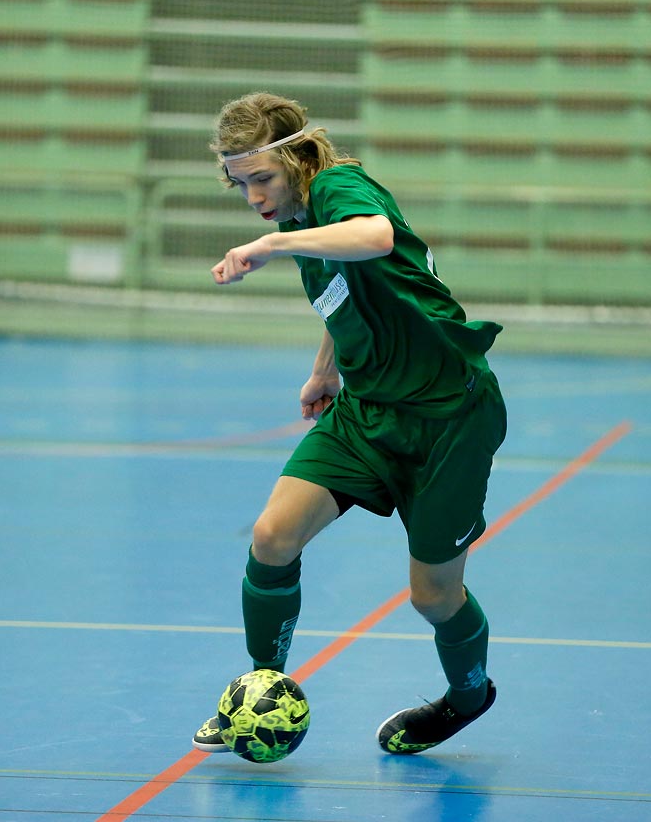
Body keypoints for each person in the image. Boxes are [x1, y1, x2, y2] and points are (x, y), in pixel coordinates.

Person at [192, 92, 508, 756]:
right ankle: (260, 689)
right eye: (241, 184)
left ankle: (468, 695)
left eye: (262, 180)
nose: (253, 198)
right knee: (273, 537)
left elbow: (375, 239)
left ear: (296, 158)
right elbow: (350, 297)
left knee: (433, 595)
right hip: (366, 411)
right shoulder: (307, 219)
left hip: (448, 419)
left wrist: (272, 243)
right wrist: (326, 371)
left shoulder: (340, 187)